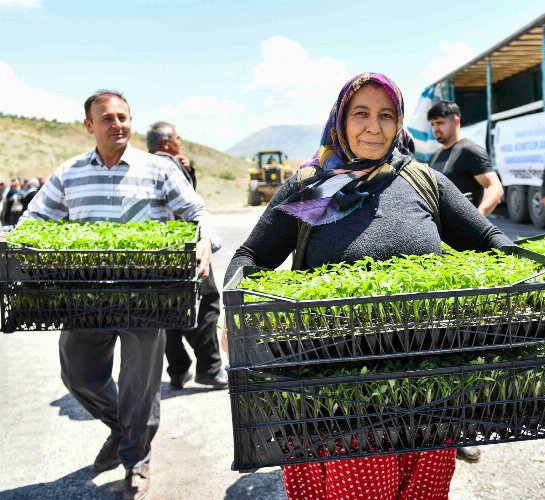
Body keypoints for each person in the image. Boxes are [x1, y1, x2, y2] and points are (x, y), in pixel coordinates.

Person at [223, 72, 514, 500]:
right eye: (361, 114)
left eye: (386, 115)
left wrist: (531, 273)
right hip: (340, 395)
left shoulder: (421, 180)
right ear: (340, 119)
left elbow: (489, 240)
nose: (373, 127)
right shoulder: (316, 188)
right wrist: (231, 312)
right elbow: (251, 257)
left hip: (429, 388)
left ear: (398, 124)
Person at [20, 89, 220, 500]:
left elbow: (197, 212)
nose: (118, 125)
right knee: (79, 374)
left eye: (124, 117)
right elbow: (33, 220)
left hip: (147, 296)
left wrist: (202, 241)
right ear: (89, 126)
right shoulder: (70, 172)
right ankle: (121, 427)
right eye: (108, 119)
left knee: (139, 384)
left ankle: (136, 460)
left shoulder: (157, 169)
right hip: (86, 296)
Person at [146, 121, 227, 390]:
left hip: (158, 252)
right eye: (177, 138)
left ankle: (178, 371)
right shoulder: (169, 165)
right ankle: (210, 369)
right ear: (167, 142)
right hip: (187, 250)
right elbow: (190, 205)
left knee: (168, 312)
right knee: (205, 306)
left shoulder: (141, 165)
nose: (180, 142)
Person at [427, 100, 504, 217]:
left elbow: (496, 187)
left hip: (466, 232)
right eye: (432, 124)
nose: (435, 129)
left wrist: (479, 217)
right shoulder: (435, 156)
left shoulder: (470, 151)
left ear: (456, 121)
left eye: (440, 122)